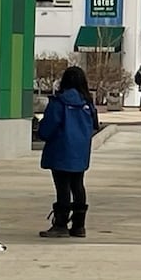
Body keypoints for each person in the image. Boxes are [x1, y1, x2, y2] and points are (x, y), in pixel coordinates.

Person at [37, 66, 99, 238]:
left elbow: (47, 128)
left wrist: (42, 133)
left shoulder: (59, 103)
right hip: (80, 152)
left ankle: (61, 224)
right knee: (78, 185)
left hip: (60, 149)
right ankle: (79, 225)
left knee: (62, 186)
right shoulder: (87, 103)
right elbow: (95, 125)